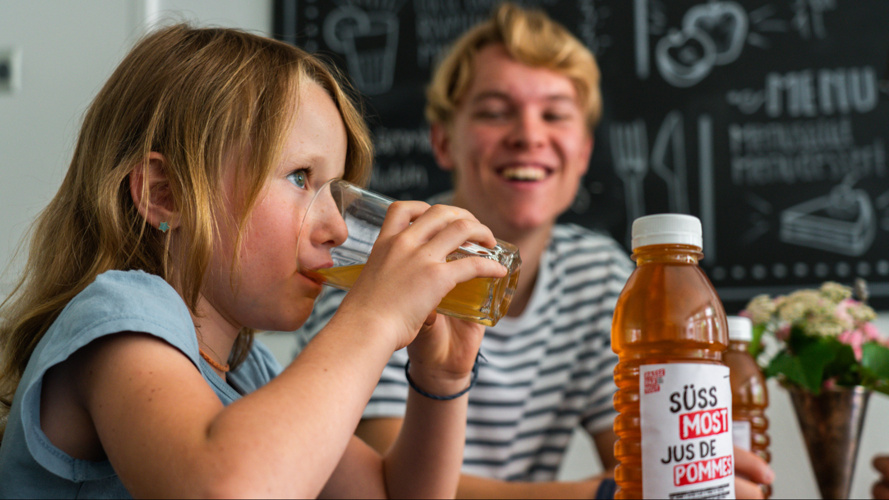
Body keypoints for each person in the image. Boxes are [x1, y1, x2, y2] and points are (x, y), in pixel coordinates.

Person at [0, 23, 510, 498]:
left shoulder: (246, 371)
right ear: (167, 195)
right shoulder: (117, 322)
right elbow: (228, 488)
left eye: (336, 192)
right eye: (300, 178)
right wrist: (374, 317)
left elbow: (388, 495)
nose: (335, 227)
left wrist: (441, 382)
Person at [296, 2, 775, 498]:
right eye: (495, 112)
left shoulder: (597, 273)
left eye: (554, 114)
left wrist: (688, 471)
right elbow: (384, 483)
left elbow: (640, 451)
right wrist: (600, 495)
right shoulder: (381, 254)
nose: (528, 135)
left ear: (584, 151)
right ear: (442, 141)